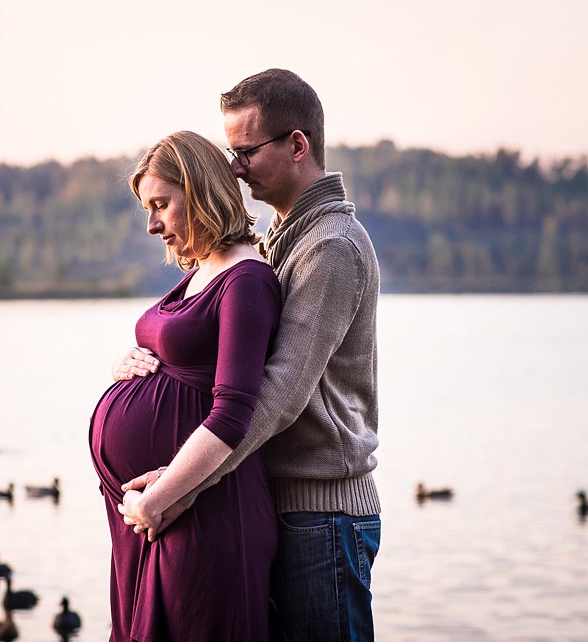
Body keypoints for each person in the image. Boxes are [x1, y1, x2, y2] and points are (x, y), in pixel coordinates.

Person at [117, 69, 382, 641]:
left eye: (245, 151)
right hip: (277, 499)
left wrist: (180, 488)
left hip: (322, 513)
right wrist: (138, 367)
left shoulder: (330, 247)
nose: (233, 167)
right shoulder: (279, 239)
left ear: (296, 146)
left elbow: (279, 394)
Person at [89, 130, 282, 641]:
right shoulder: (201, 271)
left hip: (201, 517)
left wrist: (158, 500)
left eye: (161, 205)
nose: (152, 225)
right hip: (151, 522)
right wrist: (124, 363)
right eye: (146, 209)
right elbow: (175, 353)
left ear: (197, 191)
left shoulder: (246, 281)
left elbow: (233, 414)